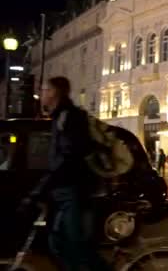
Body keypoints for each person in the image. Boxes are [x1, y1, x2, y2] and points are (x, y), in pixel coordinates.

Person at [21, 76, 111, 271]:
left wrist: (38, 191)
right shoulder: (60, 117)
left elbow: (66, 159)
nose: (40, 95)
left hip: (74, 191)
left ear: (54, 93)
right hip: (65, 192)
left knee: (77, 248)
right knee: (57, 245)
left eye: (44, 90)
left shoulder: (69, 117)